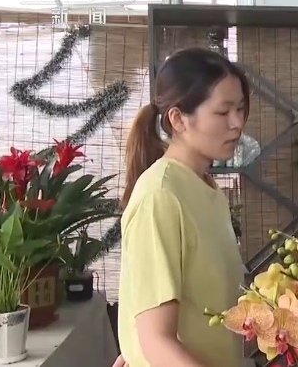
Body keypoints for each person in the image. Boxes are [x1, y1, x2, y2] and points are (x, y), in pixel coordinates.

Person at [113, 47, 249, 367]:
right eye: (223, 112)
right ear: (178, 119)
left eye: (241, 109)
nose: (237, 123)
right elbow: (156, 341)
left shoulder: (205, 189)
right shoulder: (161, 196)